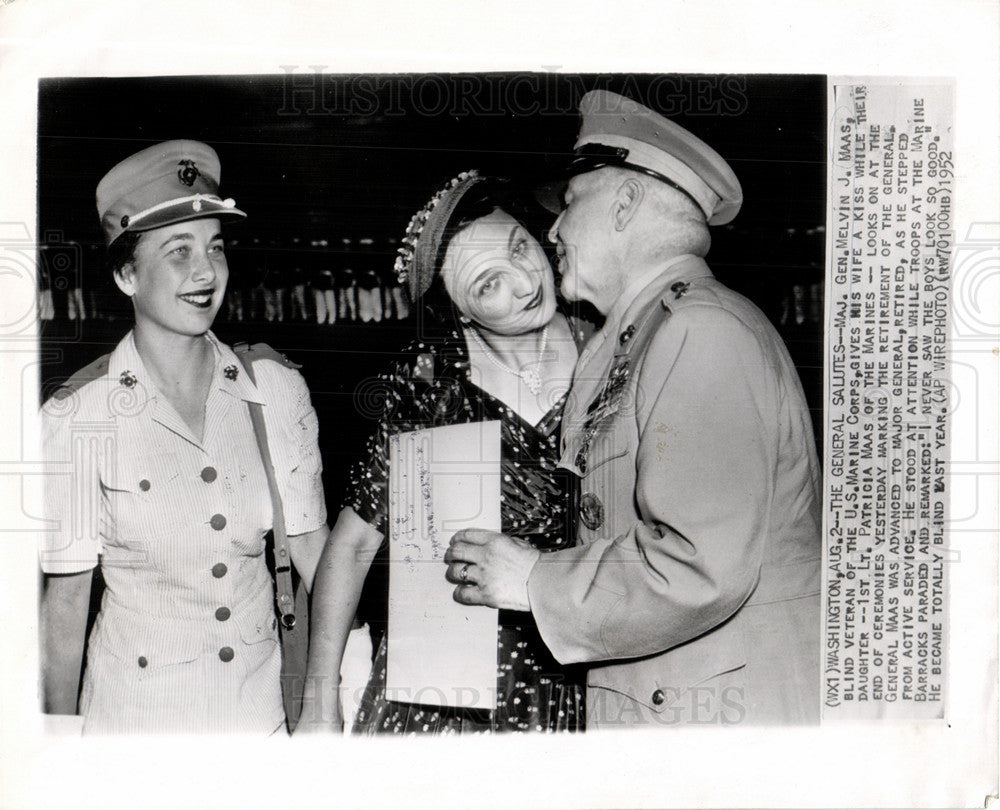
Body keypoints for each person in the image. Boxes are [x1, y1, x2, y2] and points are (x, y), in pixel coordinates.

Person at [445, 91, 822, 728]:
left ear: (624, 205)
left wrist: (538, 580)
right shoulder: (640, 338)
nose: (554, 230)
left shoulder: (702, 332)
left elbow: (698, 563)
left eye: (568, 206)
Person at [39, 140, 329, 734]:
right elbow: (66, 605)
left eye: (215, 249)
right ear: (126, 274)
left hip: (261, 724)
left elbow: (317, 560)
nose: (206, 273)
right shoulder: (78, 415)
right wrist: (56, 744)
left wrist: (336, 694)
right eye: (179, 252)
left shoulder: (272, 388)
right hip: (134, 729)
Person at [299, 171, 588, 734]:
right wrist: (318, 698)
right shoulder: (430, 383)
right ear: (461, 313)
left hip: (586, 674)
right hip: (451, 688)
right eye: (489, 284)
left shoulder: (609, 346)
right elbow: (355, 544)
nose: (526, 283)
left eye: (521, 248)